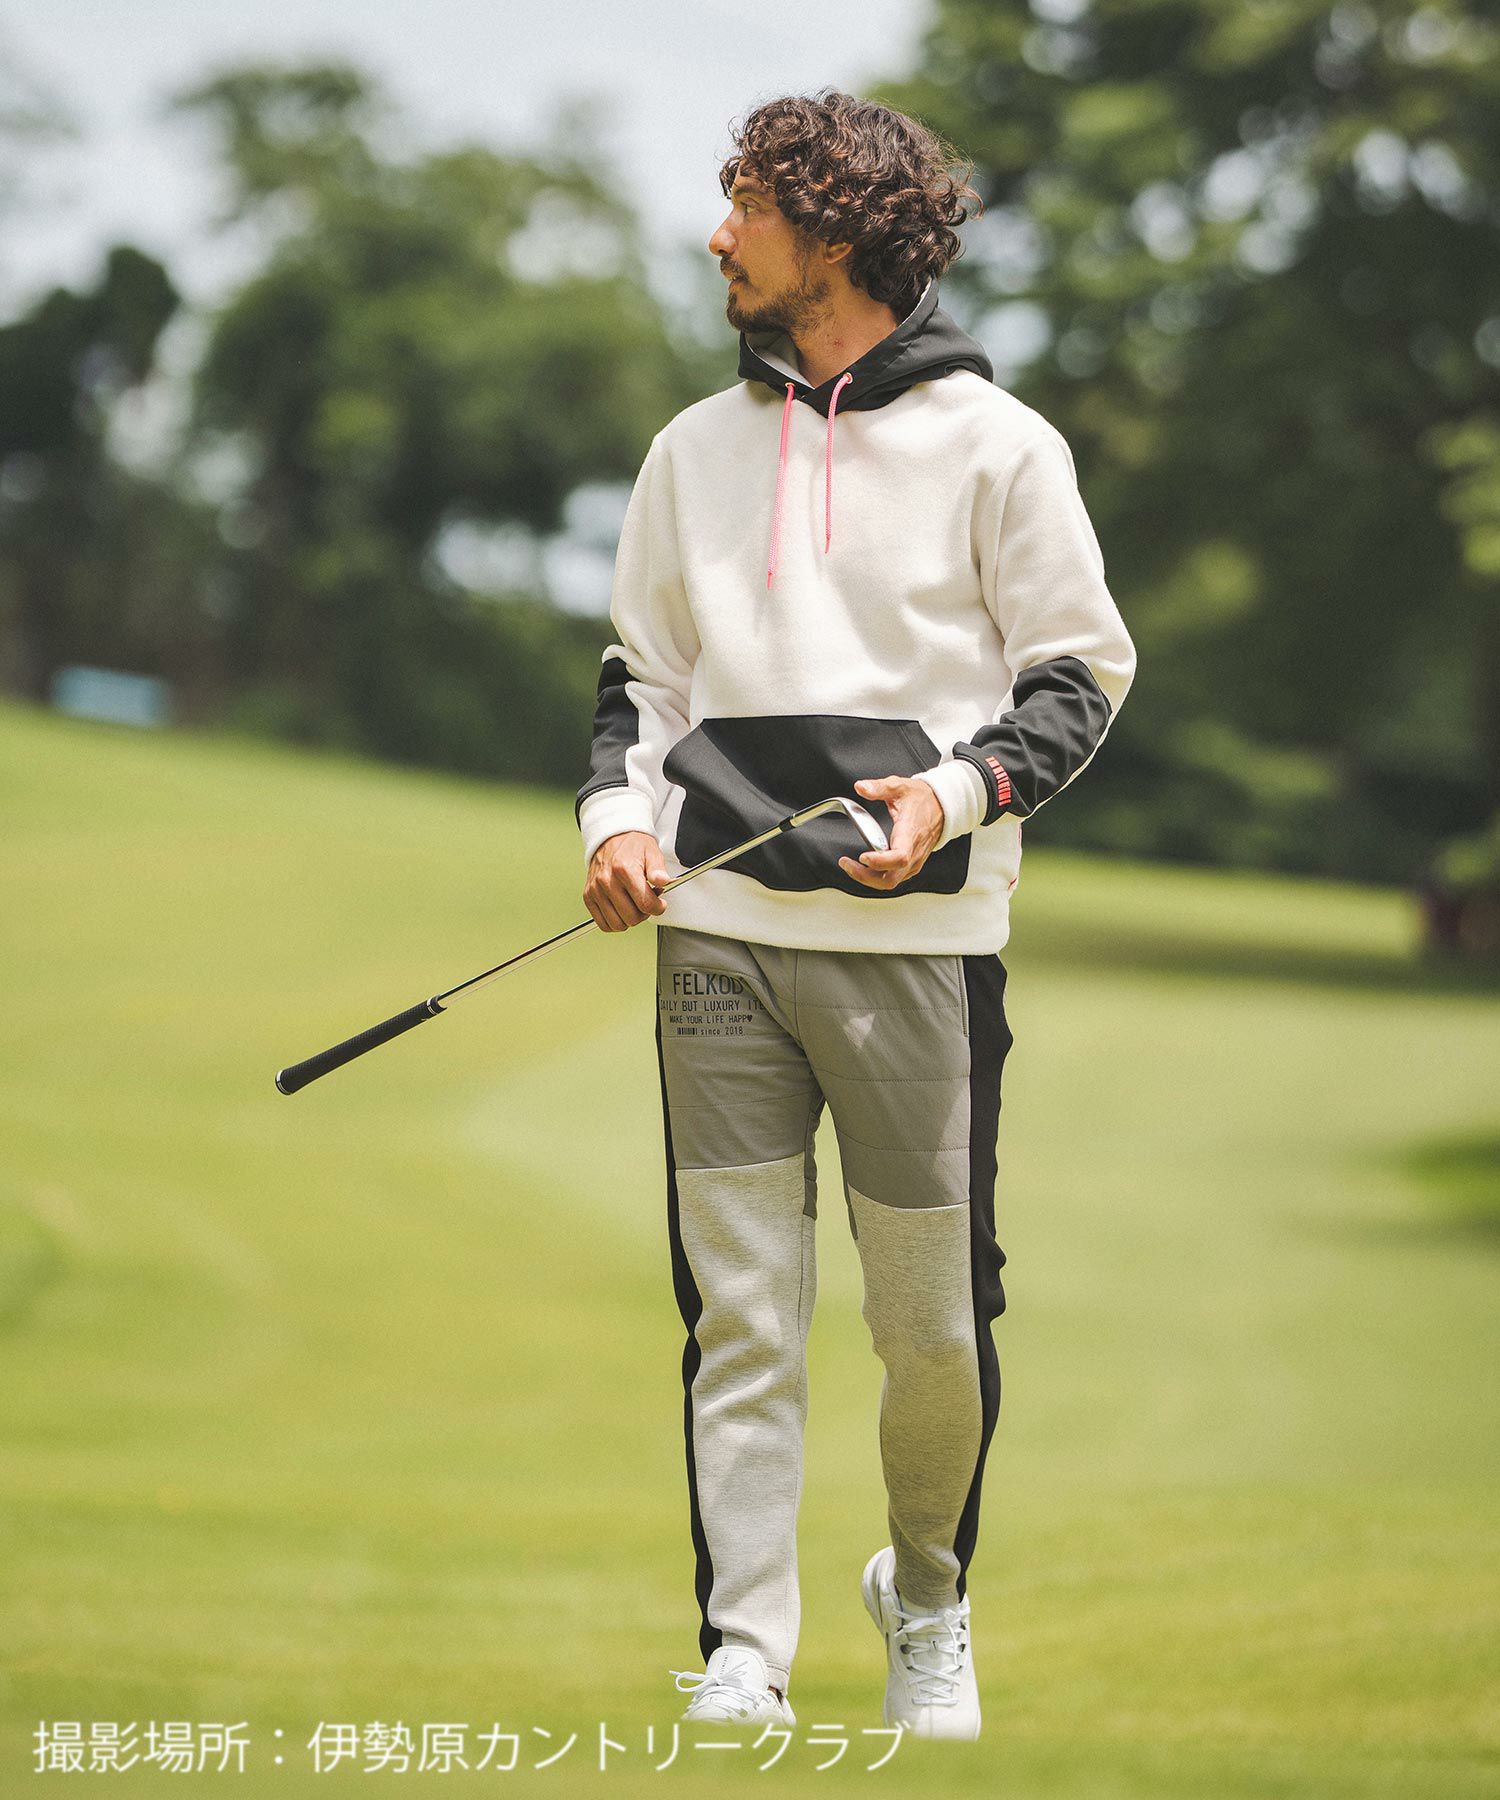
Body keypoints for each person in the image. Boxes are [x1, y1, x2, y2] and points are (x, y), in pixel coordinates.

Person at [575, 88, 1137, 1741]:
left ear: (834, 231)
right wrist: (618, 823)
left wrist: (954, 799)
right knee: (741, 1312)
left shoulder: (1003, 447)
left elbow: (1080, 676)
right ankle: (744, 1650)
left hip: (923, 959)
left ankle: (929, 1596)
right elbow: (638, 682)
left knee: (932, 1328)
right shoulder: (690, 451)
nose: (717, 235)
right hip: (721, 944)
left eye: (746, 205)